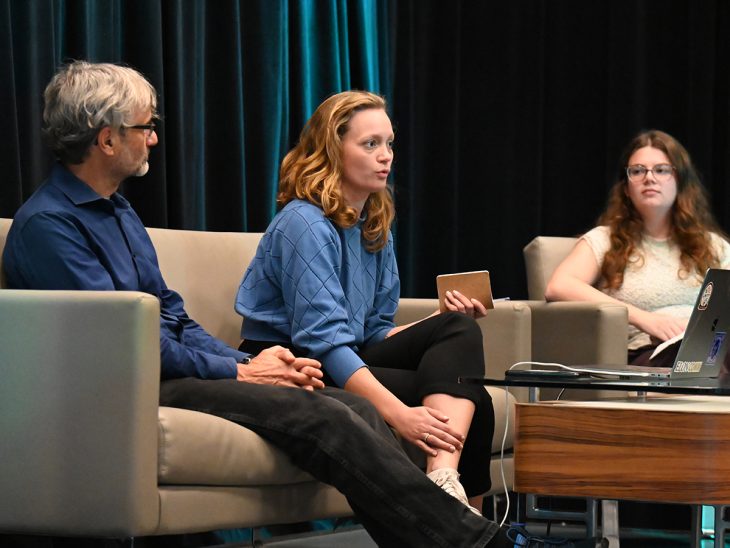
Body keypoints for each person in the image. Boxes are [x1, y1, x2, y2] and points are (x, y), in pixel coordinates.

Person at [2, 60, 528, 548]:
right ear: (108, 138)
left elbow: (173, 316)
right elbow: (125, 345)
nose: (154, 138)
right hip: (132, 384)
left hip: (172, 369)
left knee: (354, 407)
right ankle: (475, 543)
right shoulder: (52, 225)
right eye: (145, 128)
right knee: (329, 419)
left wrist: (243, 364)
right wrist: (240, 369)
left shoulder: (116, 212)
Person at [234, 91, 494, 515]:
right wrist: (399, 415)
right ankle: (451, 509)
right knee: (473, 400)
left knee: (459, 332)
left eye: (389, 144)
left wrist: (438, 322)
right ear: (332, 150)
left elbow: (373, 330)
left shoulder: (373, 223)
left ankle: (454, 500)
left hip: (346, 353)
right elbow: (324, 342)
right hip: (295, 362)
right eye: (370, 144)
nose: (385, 156)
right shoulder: (303, 222)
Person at [545, 129, 730, 366]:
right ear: (626, 188)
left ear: (681, 182)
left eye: (662, 170)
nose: (649, 178)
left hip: (712, 351)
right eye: (637, 171)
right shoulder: (605, 240)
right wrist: (646, 320)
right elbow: (559, 285)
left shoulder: (713, 245)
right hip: (648, 353)